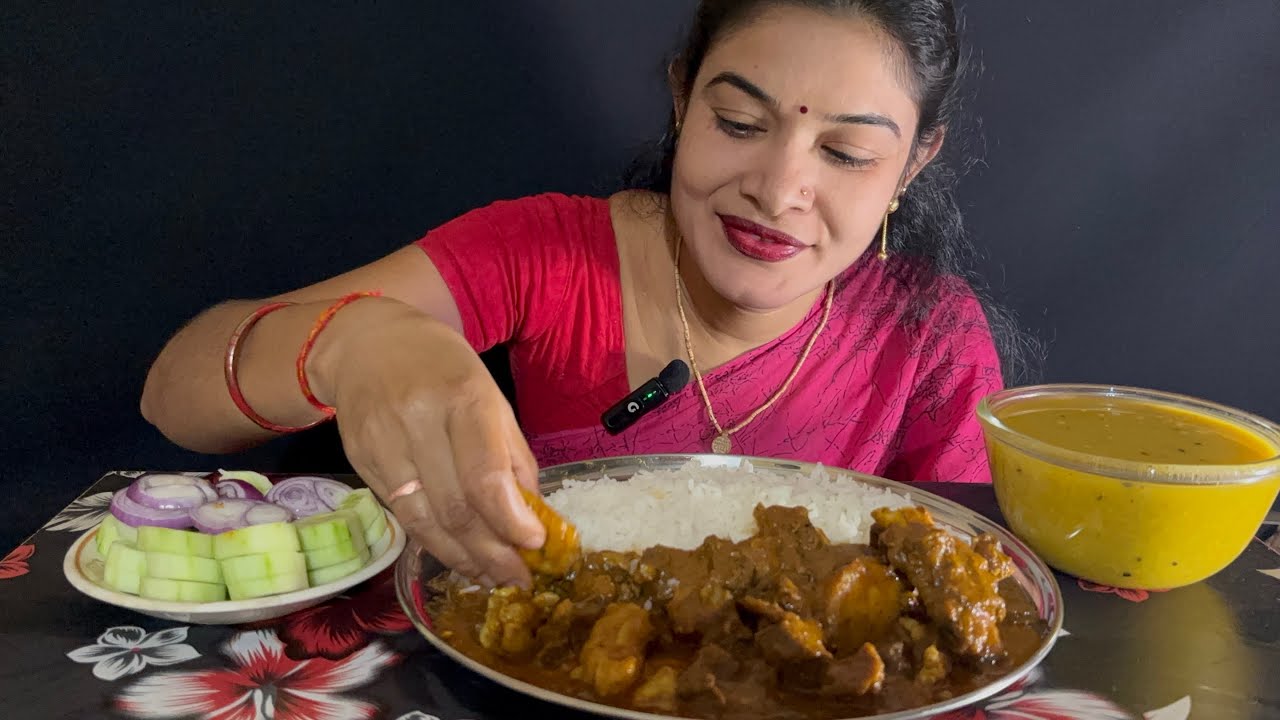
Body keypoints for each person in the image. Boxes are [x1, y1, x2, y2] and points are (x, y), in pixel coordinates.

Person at [142, 0, 1030, 588]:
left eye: (845, 154)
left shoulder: (932, 338)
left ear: (914, 164)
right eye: (738, 123)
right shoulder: (548, 255)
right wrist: (351, 344)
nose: (777, 189)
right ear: (682, 97)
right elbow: (174, 394)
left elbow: (964, 593)